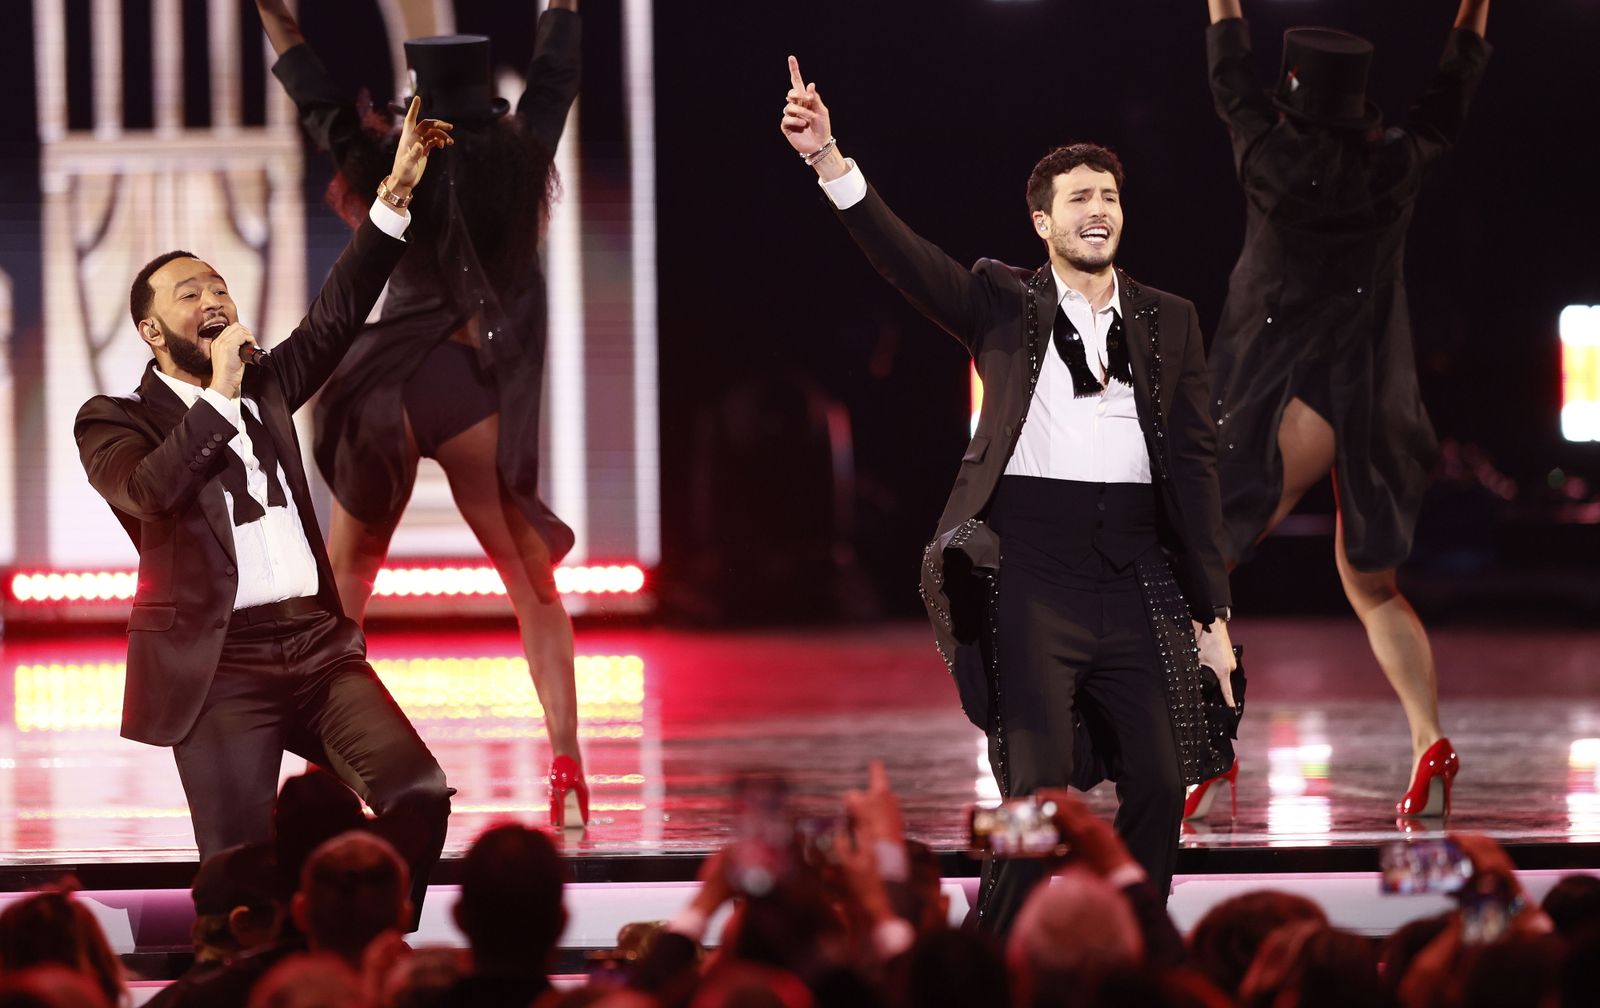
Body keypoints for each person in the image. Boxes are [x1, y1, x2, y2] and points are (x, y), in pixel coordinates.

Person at [779, 58, 1236, 933]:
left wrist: (1211, 614)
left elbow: (1196, 463)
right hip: (1032, 568)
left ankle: (1135, 947)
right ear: (1043, 221)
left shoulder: (1169, 319)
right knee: (1035, 787)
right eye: (1079, 197)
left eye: (1109, 196)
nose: (1098, 209)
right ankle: (996, 954)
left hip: (1135, 568)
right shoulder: (1001, 300)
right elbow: (907, 261)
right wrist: (829, 159)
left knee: (1160, 775)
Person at [73, 102, 454, 900]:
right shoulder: (113, 419)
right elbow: (150, 492)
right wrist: (218, 393)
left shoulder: (267, 385)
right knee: (239, 876)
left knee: (418, 793)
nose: (213, 298)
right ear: (151, 331)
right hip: (218, 664)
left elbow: (339, 311)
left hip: (317, 646)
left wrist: (394, 197)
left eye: (218, 285)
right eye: (188, 294)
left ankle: (365, 943)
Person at [252, 0, 590, 828]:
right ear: (486, 101)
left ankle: (320, 775)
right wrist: (562, 9)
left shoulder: (384, 159)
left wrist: (279, 22)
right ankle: (568, 766)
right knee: (532, 587)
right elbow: (554, 79)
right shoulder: (520, 155)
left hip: (389, 387)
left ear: (416, 102)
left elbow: (320, 101)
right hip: (471, 386)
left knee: (346, 591)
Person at [1199, 0, 1493, 818]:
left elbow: (1229, 70)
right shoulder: (1393, 165)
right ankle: (1430, 743)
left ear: (1293, 97)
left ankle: (1207, 748)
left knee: (1199, 563)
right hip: (1366, 397)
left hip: (1284, 393)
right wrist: (1475, 8)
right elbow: (1448, 98)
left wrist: (1223, 5)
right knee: (1372, 586)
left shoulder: (1264, 153)